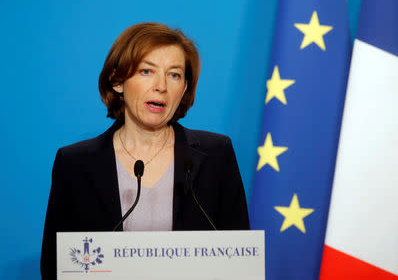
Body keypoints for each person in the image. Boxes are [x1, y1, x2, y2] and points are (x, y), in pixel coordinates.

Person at [40, 22, 250, 279]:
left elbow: (239, 262)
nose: (161, 85)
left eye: (174, 75)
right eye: (146, 71)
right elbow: (55, 266)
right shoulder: (75, 164)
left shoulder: (216, 155)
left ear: (184, 89)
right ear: (117, 81)